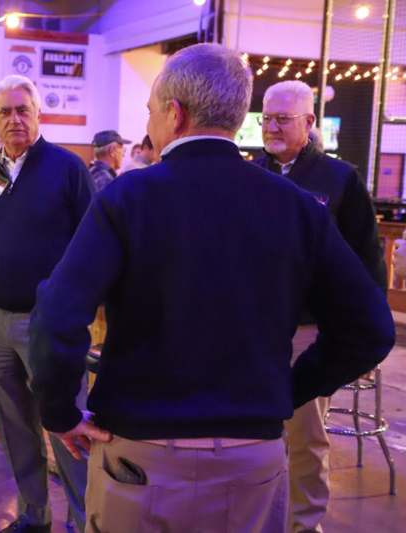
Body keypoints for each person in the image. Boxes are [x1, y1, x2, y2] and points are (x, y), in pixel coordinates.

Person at [28, 43, 394, 533]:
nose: (149, 124)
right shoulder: (296, 205)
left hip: (142, 453)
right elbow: (371, 327)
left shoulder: (129, 198)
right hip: (252, 455)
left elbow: (56, 315)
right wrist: (288, 391)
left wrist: (57, 411)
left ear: (174, 115)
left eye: (151, 111)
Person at [255, 79, 387, 533]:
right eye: (266, 118)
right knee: (253, 435)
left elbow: (367, 264)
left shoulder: (339, 179)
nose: (271, 127)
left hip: (307, 331)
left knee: (305, 439)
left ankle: (303, 525)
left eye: (282, 119)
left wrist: (363, 338)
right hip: (253, 329)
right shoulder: (252, 173)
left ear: (309, 123)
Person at [0, 74, 93, 533]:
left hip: (47, 322)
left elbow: (90, 243)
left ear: (39, 114)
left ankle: (83, 520)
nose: (15, 119)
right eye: (5, 111)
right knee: (13, 425)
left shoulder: (67, 168)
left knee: (66, 425)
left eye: (23, 110)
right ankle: (33, 515)